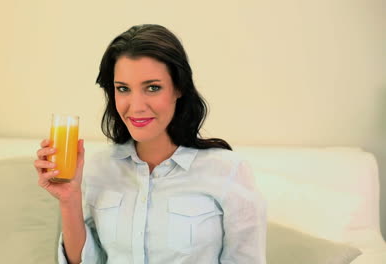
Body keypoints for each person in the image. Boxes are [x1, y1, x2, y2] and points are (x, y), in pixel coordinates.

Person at [34, 24, 266, 264]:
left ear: (178, 88)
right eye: (123, 89)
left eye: (152, 88)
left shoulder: (228, 171)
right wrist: (69, 200)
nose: (136, 106)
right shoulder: (99, 167)